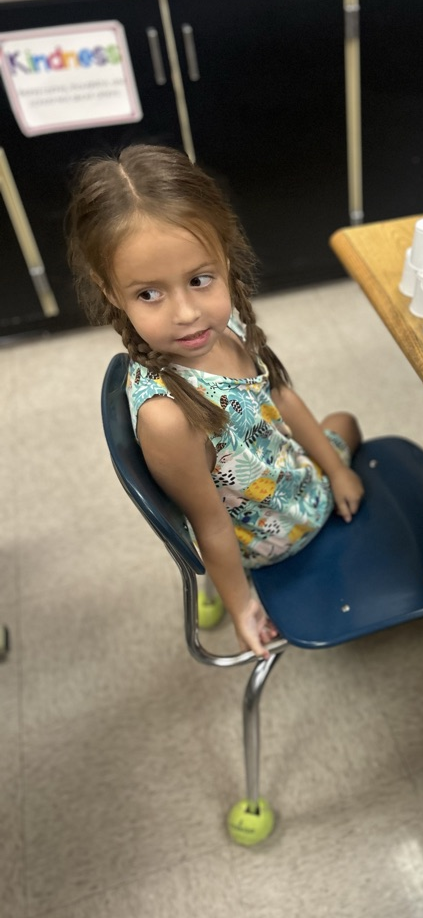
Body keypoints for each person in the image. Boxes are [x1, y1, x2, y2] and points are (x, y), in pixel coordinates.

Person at [67, 144, 364, 659]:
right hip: (282, 529)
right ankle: (224, 586)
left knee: (339, 423)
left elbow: (280, 396)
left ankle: (325, 478)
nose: (186, 314)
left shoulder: (220, 325)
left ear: (223, 260)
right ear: (109, 291)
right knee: (348, 424)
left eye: (199, 280)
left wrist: (336, 470)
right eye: (149, 294)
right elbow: (209, 525)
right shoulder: (166, 418)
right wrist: (242, 604)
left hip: (283, 482)